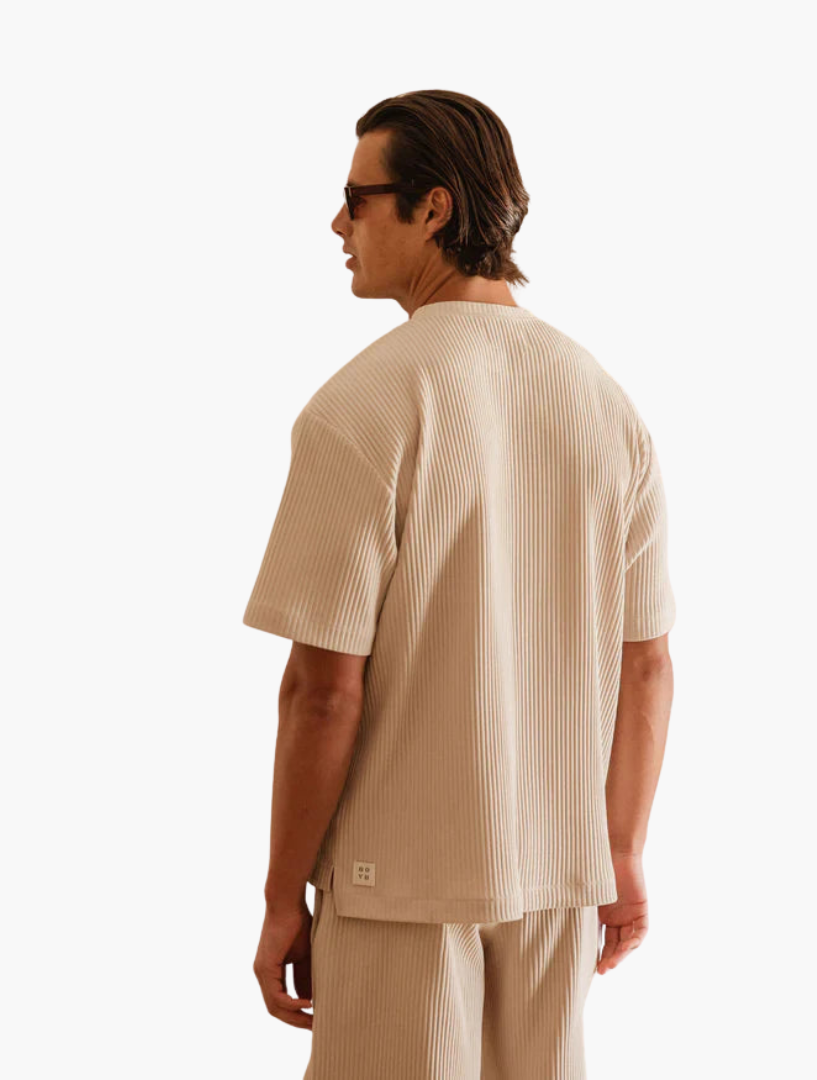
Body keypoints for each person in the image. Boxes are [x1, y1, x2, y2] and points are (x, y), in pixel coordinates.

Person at [243, 89, 676, 1080]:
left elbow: (323, 693)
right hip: (558, 884)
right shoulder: (606, 406)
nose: (338, 224)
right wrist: (620, 853)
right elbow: (647, 666)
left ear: (433, 208)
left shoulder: (362, 409)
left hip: (395, 887)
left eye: (358, 198)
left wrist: (280, 897)